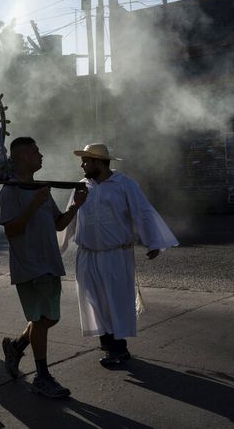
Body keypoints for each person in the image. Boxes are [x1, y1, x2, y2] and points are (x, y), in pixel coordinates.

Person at [59, 143, 178, 367]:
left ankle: (118, 349)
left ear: (98, 162)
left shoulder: (124, 184)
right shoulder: (82, 186)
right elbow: (71, 218)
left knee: (115, 300)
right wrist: (58, 248)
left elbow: (142, 212)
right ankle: (108, 346)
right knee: (93, 301)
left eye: (86, 161)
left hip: (115, 254)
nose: (82, 166)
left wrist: (153, 241)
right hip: (87, 255)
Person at [0, 137, 86, 398]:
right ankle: (42, 375)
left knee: (49, 318)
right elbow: (12, 230)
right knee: (40, 319)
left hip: (49, 263)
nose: (41, 155)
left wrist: (76, 206)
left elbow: (59, 223)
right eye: (36, 151)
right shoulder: (10, 191)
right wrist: (33, 204)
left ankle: (17, 346)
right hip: (29, 266)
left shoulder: (40, 189)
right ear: (23, 156)